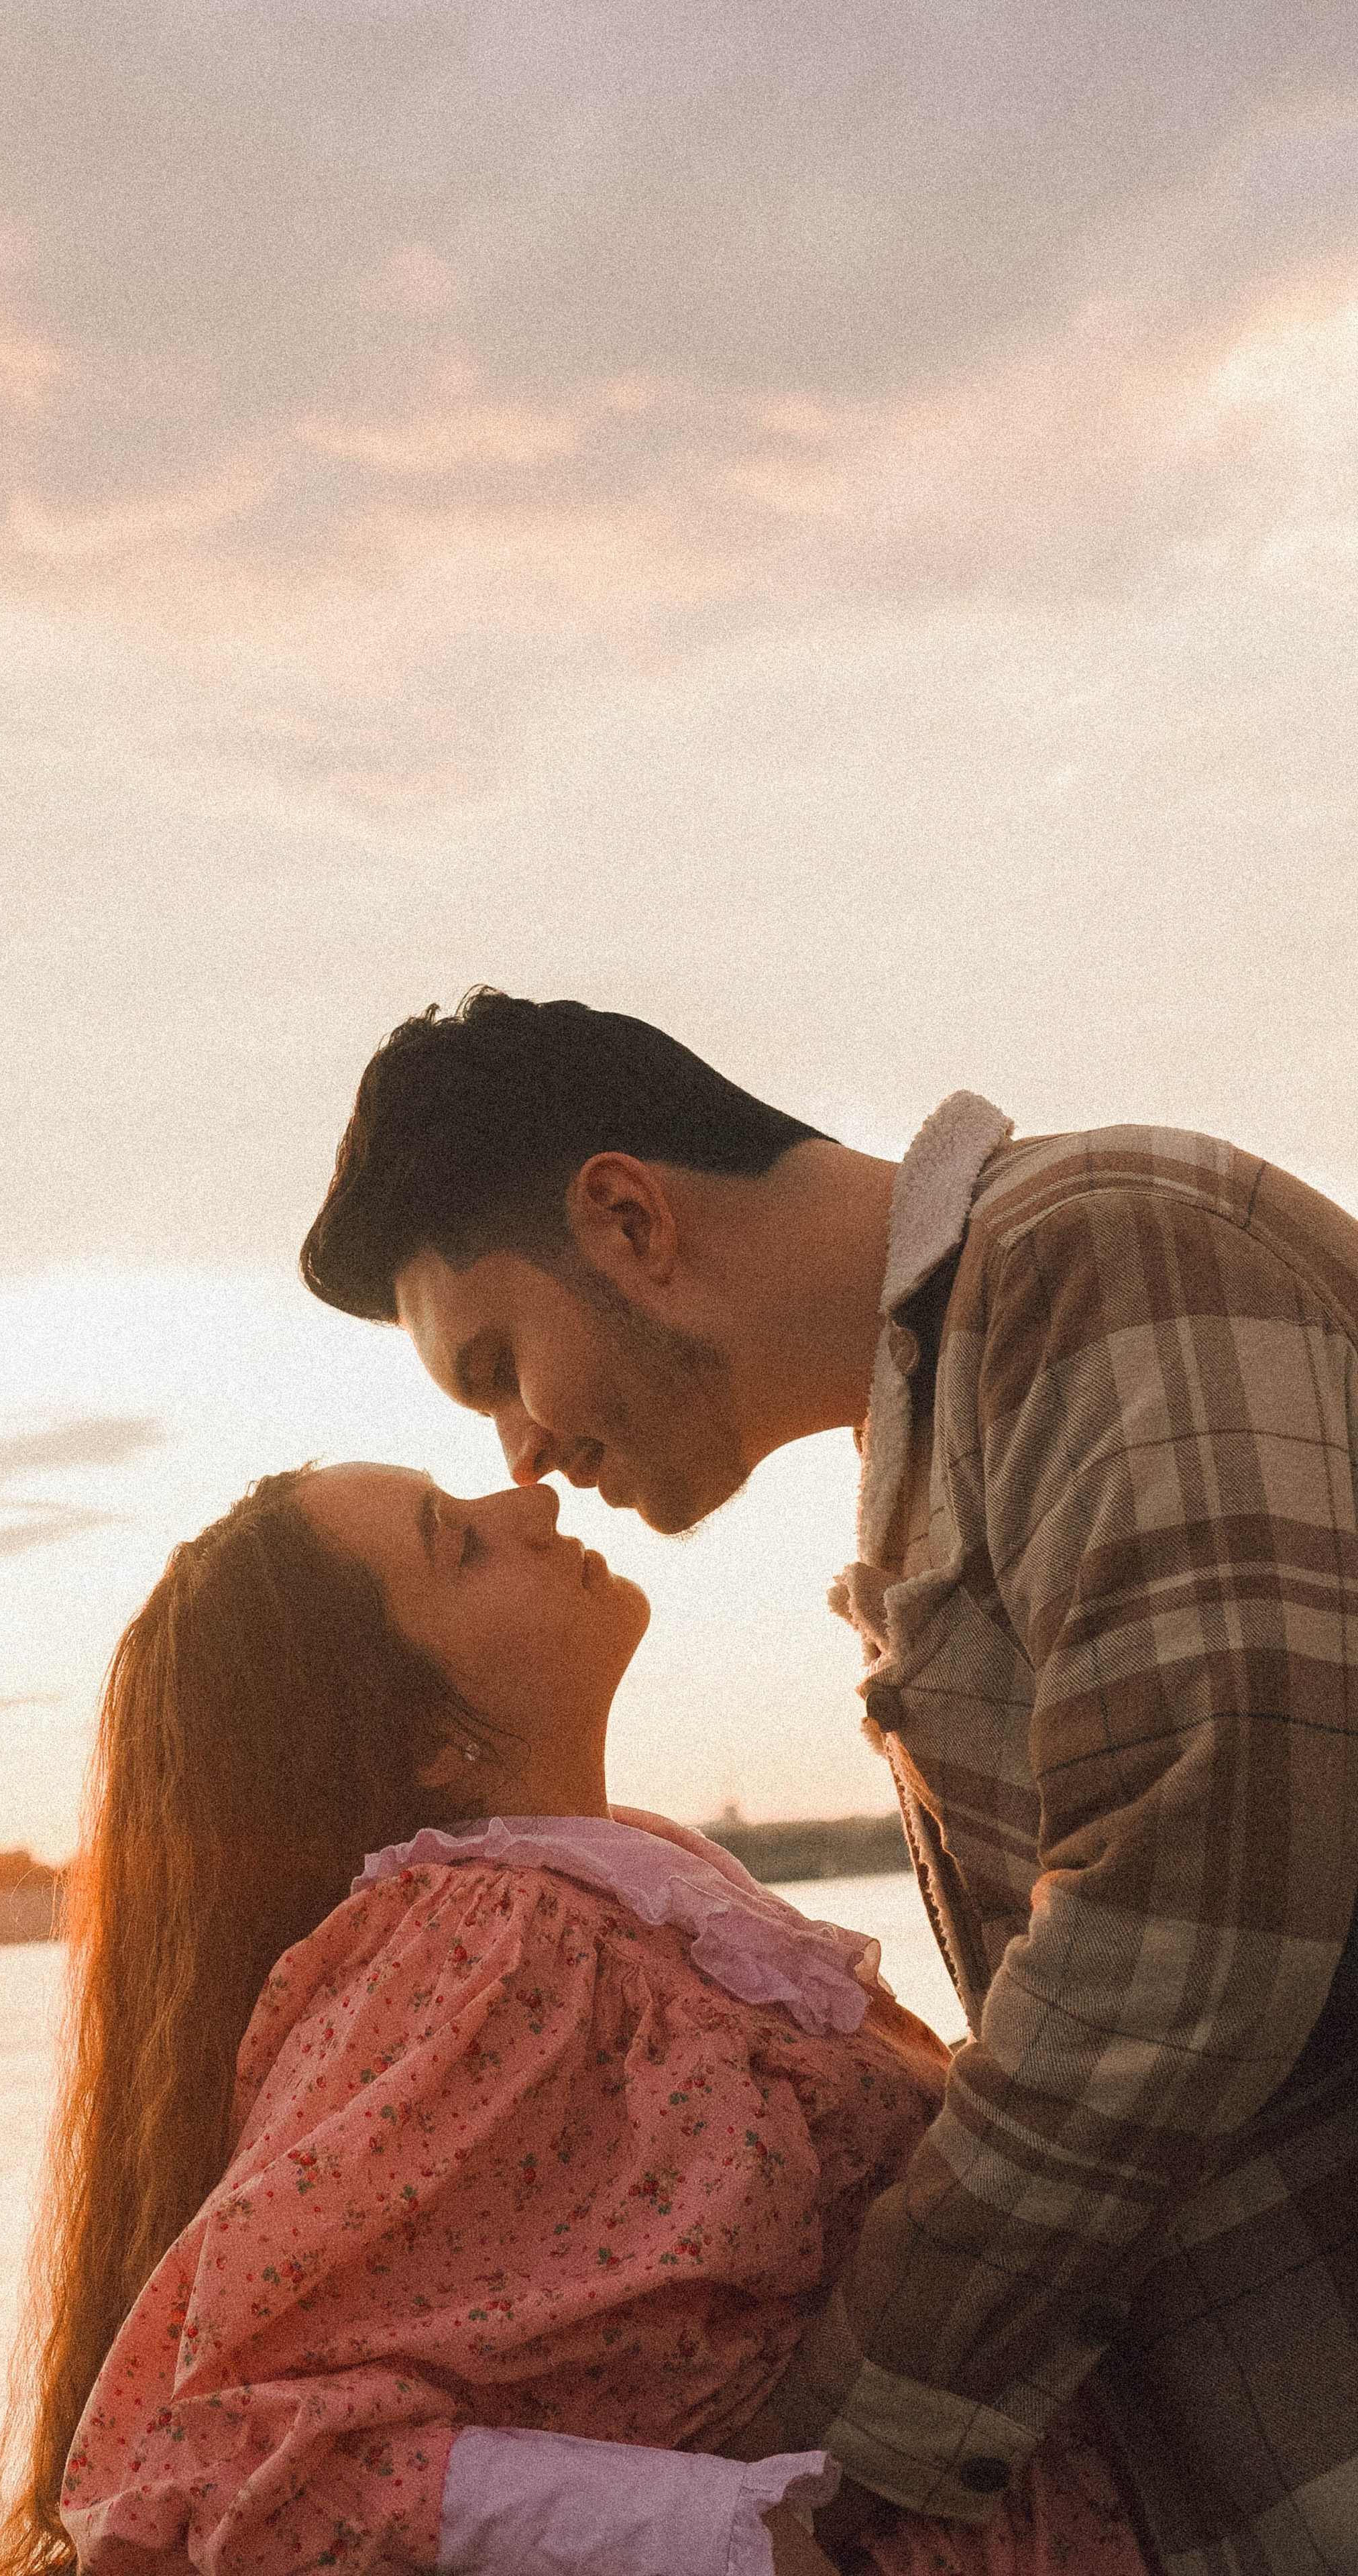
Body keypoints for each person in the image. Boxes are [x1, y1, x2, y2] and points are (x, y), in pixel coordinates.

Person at [299, 990, 1358, 2576]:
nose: (519, 1452)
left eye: (500, 1364)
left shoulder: (1097, 1253)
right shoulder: (949, 1420)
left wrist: (813, 2450)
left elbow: (1191, 1916)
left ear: (626, 1216)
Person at [0, 1465, 1150, 2576]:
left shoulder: (627, 1892)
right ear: (430, 1740)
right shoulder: (484, 1945)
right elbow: (217, 2462)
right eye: (460, 1543)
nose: (528, 1499)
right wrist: (728, 2537)